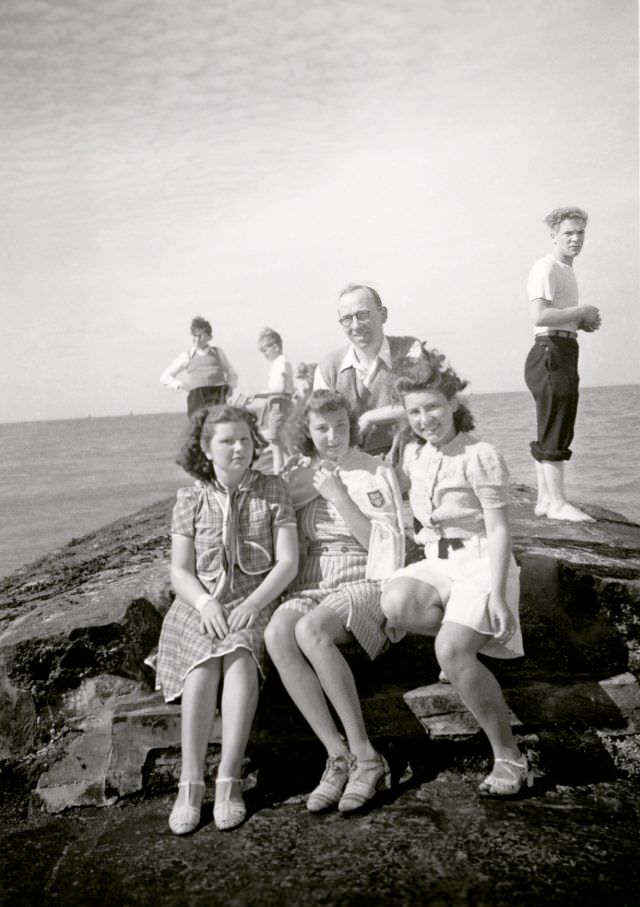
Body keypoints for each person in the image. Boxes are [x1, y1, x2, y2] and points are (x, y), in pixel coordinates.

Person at [380, 348, 531, 798]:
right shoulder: (415, 454)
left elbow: (500, 528)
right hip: (440, 560)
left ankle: (509, 756)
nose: (426, 419)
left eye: (434, 407)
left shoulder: (480, 454)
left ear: (454, 407)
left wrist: (501, 595)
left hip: (482, 561)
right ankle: (461, 648)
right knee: (394, 603)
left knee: (450, 649)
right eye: (415, 412)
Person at [154, 405, 298, 834]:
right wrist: (204, 604)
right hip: (200, 603)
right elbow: (180, 571)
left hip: (253, 600)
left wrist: (254, 603)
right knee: (201, 667)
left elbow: (287, 562)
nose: (238, 448)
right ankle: (190, 782)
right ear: (206, 448)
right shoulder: (190, 498)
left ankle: (229, 779)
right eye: (226, 441)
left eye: (245, 440)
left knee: (238, 659)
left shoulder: (273, 490)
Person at [265, 390, 405, 813]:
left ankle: (367, 757)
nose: (332, 436)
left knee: (310, 629)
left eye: (341, 426)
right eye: (322, 428)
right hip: (312, 580)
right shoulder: (300, 476)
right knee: (277, 633)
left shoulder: (373, 471)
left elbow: (383, 547)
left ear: (353, 424)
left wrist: (340, 496)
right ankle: (336, 755)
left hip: (363, 579)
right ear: (306, 432)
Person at [524, 208, 601, 522]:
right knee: (557, 426)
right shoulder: (547, 267)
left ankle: (545, 500)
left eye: (580, 233)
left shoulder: (566, 270)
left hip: (563, 346)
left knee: (552, 424)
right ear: (553, 235)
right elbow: (539, 316)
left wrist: (581, 321)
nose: (575, 239)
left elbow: (558, 315)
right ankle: (557, 503)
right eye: (568, 233)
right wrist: (581, 310)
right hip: (550, 350)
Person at [313, 284, 421, 456]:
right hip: (354, 463)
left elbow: (424, 401)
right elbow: (321, 422)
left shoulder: (410, 350)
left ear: (383, 314)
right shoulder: (328, 367)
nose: (355, 326)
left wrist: (369, 417)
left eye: (363, 315)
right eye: (347, 319)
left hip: (410, 457)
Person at [160, 317, 238, 419]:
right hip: (197, 399)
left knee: (220, 427)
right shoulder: (187, 355)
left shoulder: (218, 352)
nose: (196, 339)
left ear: (209, 337)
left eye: (200, 336)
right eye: (194, 336)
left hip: (218, 396)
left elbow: (231, 373)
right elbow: (165, 377)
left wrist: (230, 387)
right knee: (198, 430)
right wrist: (181, 385)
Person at [248, 327, 295, 474]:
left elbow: (278, 389)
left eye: (265, 349)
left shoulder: (280, 363)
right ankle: (289, 472)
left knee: (275, 442)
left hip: (279, 404)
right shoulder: (282, 362)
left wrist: (257, 394)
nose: (264, 354)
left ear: (275, 347)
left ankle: (278, 476)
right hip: (280, 404)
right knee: (282, 442)